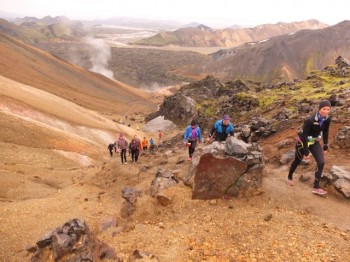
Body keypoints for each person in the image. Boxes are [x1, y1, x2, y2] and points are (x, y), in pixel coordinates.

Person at [287, 100, 331, 195]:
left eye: (328, 109)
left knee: (321, 162)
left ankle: (316, 187)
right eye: (324, 109)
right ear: (320, 109)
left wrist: (326, 145)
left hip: (314, 142)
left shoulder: (327, 119)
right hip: (303, 142)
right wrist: (306, 152)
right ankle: (289, 176)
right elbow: (304, 136)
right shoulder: (309, 120)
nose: (326, 111)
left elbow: (326, 132)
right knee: (297, 160)